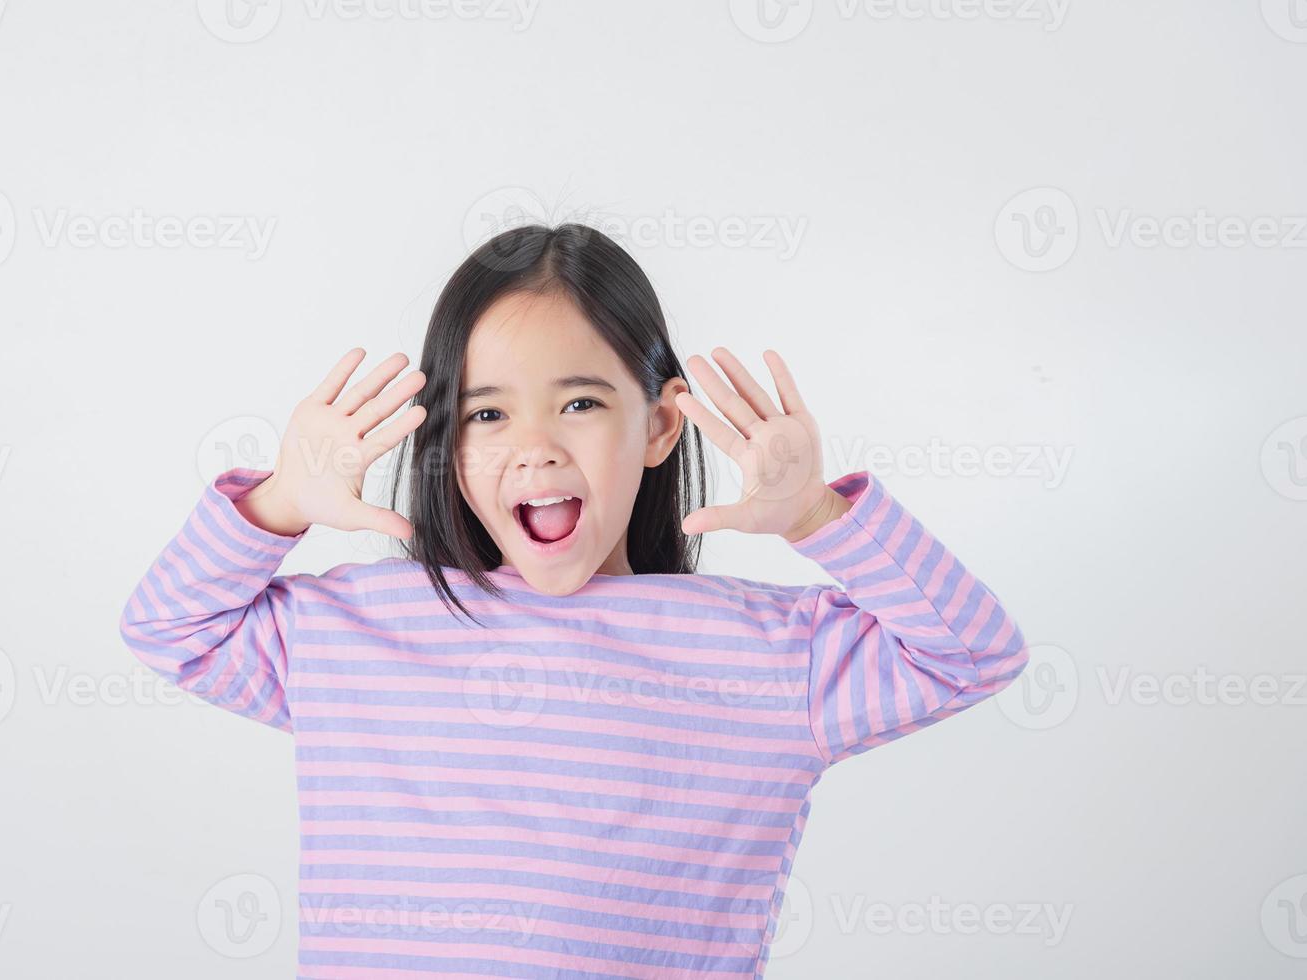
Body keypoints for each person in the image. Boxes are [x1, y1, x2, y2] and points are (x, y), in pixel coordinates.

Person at [118, 223, 1030, 978]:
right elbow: (170, 626)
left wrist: (818, 517)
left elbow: (972, 652)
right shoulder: (358, 632)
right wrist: (278, 501)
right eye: (487, 413)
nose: (535, 447)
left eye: (581, 404)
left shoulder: (763, 654)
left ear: (660, 424)